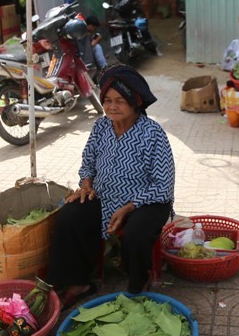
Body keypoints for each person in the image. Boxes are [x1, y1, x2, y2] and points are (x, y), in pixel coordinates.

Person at [47, 65, 174, 306]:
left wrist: (129, 207)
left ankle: (139, 285)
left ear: (135, 102)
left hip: (147, 200)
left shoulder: (153, 133)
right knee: (68, 217)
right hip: (105, 196)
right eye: (107, 100)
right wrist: (85, 184)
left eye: (119, 101)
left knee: (136, 233)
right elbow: (89, 161)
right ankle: (78, 282)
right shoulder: (101, 127)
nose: (111, 106)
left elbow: (163, 186)